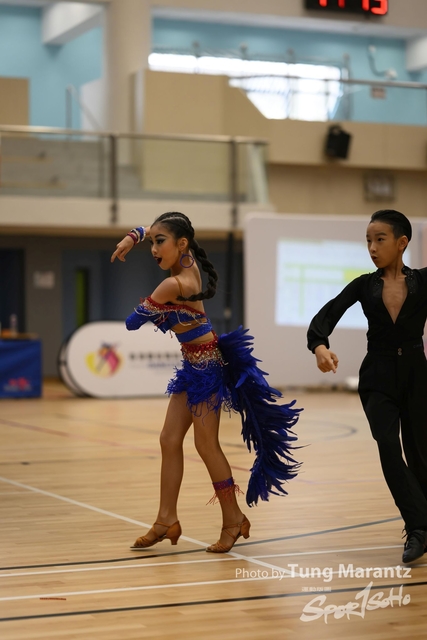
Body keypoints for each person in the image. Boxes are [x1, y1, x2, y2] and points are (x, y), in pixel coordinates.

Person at [111, 212, 301, 553]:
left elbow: (131, 323)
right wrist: (134, 235)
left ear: (181, 243)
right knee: (169, 439)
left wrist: (153, 307)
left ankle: (234, 519)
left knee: (206, 445)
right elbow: (161, 230)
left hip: (207, 369)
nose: (153, 248)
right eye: (152, 242)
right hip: (194, 365)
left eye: (159, 242)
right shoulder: (188, 261)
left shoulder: (173, 284)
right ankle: (166, 519)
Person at [307, 209, 427, 563]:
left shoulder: (424, 281)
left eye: (380, 240)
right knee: (388, 446)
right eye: (368, 241)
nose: (372, 248)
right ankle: (418, 527)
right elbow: (326, 316)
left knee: (420, 454)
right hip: (377, 375)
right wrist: (319, 346)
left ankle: (422, 523)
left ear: (402, 242)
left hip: (417, 374)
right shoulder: (363, 285)